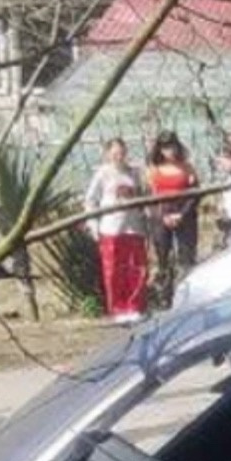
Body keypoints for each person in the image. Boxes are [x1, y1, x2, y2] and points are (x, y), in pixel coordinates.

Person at [83, 138, 150, 323]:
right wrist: (93, 224)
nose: (119, 157)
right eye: (115, 153)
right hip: (111, 229)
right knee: (114, 270)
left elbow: (144, 195)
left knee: (136, 268)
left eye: (122, 153)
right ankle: (118, 308)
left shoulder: (134, 173)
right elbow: (90, 200)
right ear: (108, 154)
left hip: (134, 228)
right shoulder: (102, 174)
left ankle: (135, 306)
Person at [147, 133, 201, 300]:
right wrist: (163, 216)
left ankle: (189, 295)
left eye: (171, 146)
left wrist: (182, 214)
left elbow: (196, 194)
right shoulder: (153, 170)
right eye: (164, 147)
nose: (168, 151)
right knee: (163, 257)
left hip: (185, 215)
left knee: (186, 256)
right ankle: (165, 297)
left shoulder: (187, 168)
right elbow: (150, 197)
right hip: (161, 217)